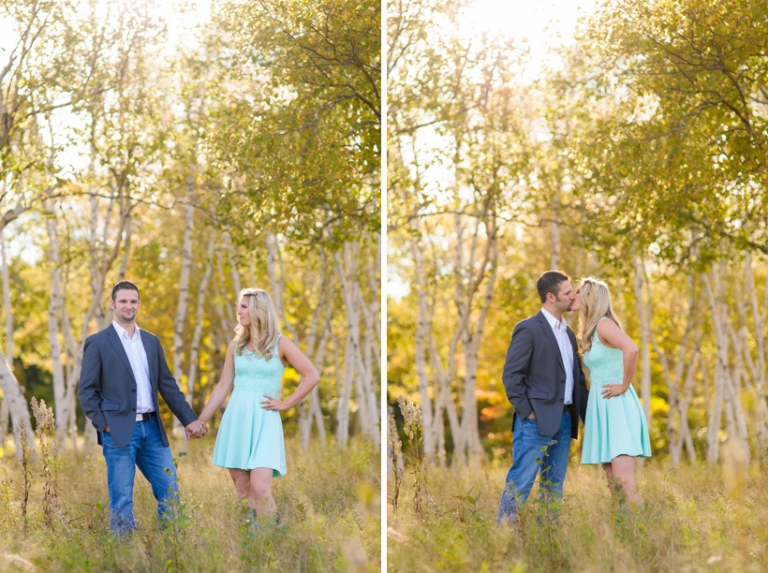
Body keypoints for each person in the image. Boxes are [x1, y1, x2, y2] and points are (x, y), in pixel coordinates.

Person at [79, 280, 208, 536]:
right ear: (113, 304)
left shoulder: (151, 341)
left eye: (133, 301)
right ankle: (126, 555)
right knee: (122, 499)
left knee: (170, 490)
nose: (129, 306)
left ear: (139, 304)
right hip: (117, 431)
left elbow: (167, 385)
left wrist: (189, 419)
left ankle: (172, 547)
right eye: (123, 301)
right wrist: (104, 424)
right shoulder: (98, 342)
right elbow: (87, 391)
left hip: (152, 429)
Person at [197, 287, 319, 525]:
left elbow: (311, 375)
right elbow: (223, 386)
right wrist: (200, 420)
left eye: (244, 306)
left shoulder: (280, 343)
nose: (238, 311)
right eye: (239, 306)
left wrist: (285, 404)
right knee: (243, 492)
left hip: (265, 421)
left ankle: (273, 539)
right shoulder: (236, 345)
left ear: (259, 310)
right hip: (237, 420)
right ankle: (252, 545)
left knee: (260, 488)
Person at [497, 270, 589, 525]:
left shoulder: (569, 334)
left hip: (565, 421)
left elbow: (578, 383)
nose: (572, 297)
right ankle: (502, 539)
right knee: (520, 484)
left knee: (554, 488)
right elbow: (511, 376)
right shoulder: (528, 328)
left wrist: (590, 420)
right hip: (534, 422)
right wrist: (528, 412)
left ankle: (547, 544)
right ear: (551, 297)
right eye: (567, 293)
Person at [572, 277, 651, 506]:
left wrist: (624, 384)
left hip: (616, 405)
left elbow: (632, 349)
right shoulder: (591, 330)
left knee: (624, 481)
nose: (573, 295)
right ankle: (625, 531)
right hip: (602, 408)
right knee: (613, 480)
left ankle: (641, 531)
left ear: (590, 298)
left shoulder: (604, 324)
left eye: (578, 291)